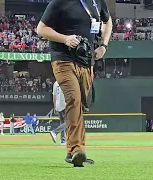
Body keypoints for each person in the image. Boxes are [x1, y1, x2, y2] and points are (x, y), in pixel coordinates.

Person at [37, 0, 112, 167]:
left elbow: (108, 21)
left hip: (86, 62)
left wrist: (104, 45)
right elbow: (41, 28)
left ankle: (74, 151)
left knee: (80, 105)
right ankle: (77, 149)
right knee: (74, 99)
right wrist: (64, 39)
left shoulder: (97, 2)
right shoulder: (60, 2)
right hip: (63, 59)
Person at [50, 81, 67, 145]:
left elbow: (54, 96)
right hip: (64, 105)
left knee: (62, 122)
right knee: (70, 121)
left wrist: (54, 106)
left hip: (58, 105)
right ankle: (55, 132)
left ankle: (63, 140)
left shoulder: (55, 83)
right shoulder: (65, 81)